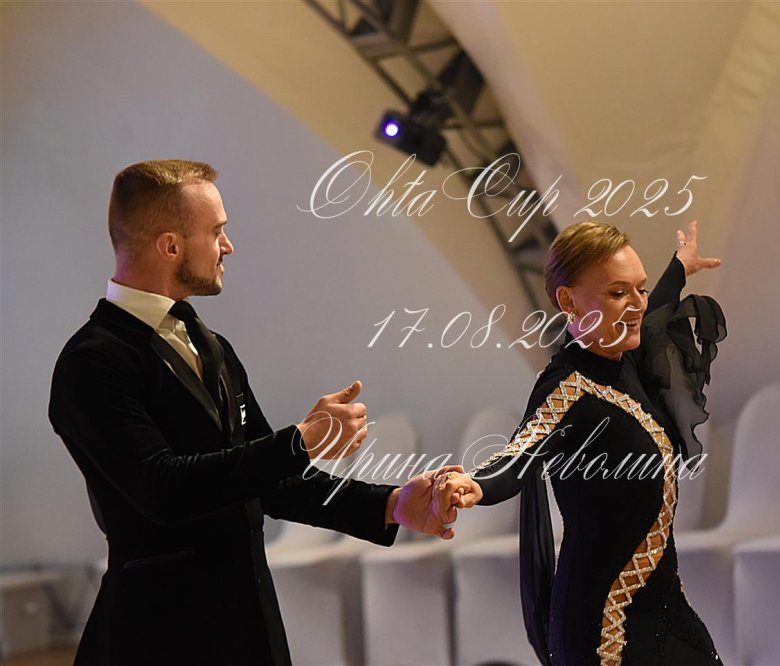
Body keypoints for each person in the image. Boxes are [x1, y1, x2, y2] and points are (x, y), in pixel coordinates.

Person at [48, 160, 468, 665]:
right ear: (170, 246)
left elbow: (272, 483)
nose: (228, 246)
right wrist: (297, 442)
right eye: (216, 232)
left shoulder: (212, 345)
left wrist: (391, 505)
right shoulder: (92, 362)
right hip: (157, 635)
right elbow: (163, 489)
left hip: (247, 627)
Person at [437, 221, 727, 665]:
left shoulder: (628, 356)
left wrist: (679, 267)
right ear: (569, 301)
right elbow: (520, 454)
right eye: (617, 293)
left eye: (640, 288)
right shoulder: (566, 388)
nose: (636, 304)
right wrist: (474, 485)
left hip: (667, 610)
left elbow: (653, 309)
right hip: (603, 625)